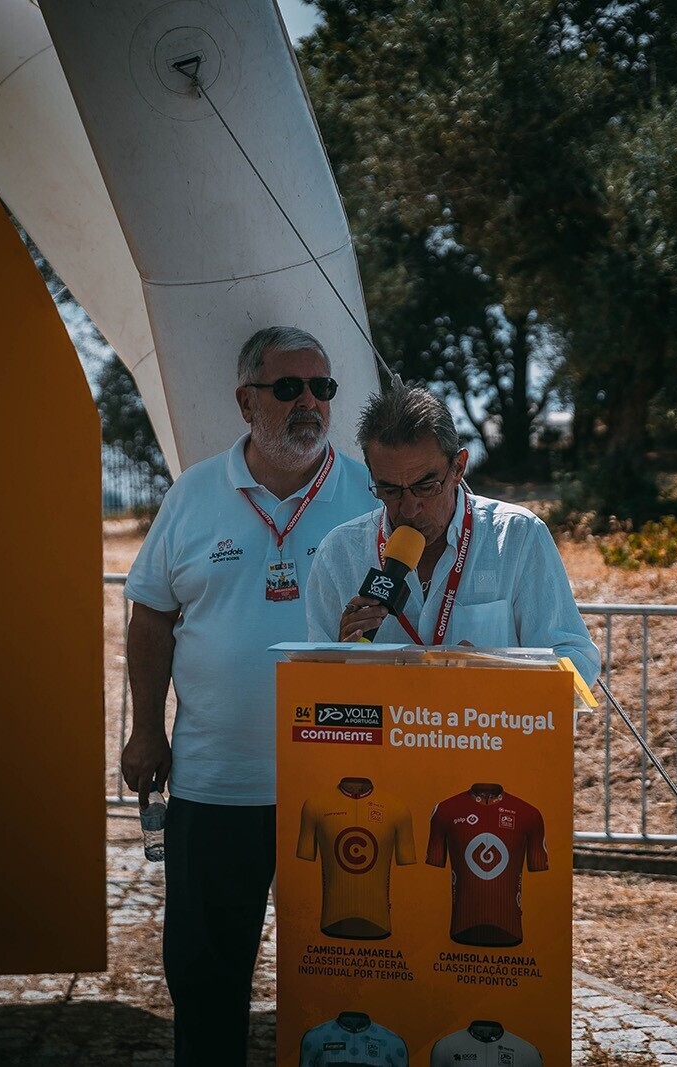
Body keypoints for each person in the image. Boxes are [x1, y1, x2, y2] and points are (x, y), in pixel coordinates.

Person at [120, 326, 377, 1064]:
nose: (309, 404)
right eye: (288, 388)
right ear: (245, 401)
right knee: (205, 976)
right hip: (216, 783)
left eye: (322, 388)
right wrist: (146, 730)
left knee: (345, 977)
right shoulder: (195, 493)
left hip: (342, 786)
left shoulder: (369, 494)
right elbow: (151, 617)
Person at [304, 383, 598, 686]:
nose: (409, 509)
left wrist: (496, 674)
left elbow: (578, 663)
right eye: (389, 489)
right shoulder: (339, 553)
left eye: (425, 486)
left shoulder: (517, 536)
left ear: (458, 468)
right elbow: (314, 688)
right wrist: (338, 658)